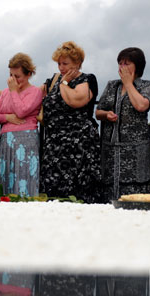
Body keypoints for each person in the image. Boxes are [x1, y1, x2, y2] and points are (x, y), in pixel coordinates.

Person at [40, 41, 101, 203]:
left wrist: (64, 83)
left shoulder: (87, 79)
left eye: (65, 63)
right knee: (53, 193)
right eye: (59, 63)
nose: (61, 68)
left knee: (79, 194)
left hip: (78, 145)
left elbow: (75, 100)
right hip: (54, 145)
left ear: (78, 63)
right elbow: (32, 94)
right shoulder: (52, 80)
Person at [96, 47, 150, 200]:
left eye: (127, 63)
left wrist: (129, 84)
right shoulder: (111, 85)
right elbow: (98, 112)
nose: (122, 67)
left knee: (134, 195)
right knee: (109, 190)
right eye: (120, 63)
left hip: (135, 150)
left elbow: (141, 106)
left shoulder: (147, 85)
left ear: (138, 66)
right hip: (110, 149)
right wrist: (106, 114)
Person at [0, 53, 43, 196]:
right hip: (6, 142)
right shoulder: (6, 92)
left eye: (17, 76)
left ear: (29, 74)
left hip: (25, 142)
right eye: (11, 75)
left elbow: (21, 111)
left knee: (23, 180)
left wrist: (13, 91)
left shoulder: (35, 92)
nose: (13, 80)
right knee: (5, 182)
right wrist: (7, 117)